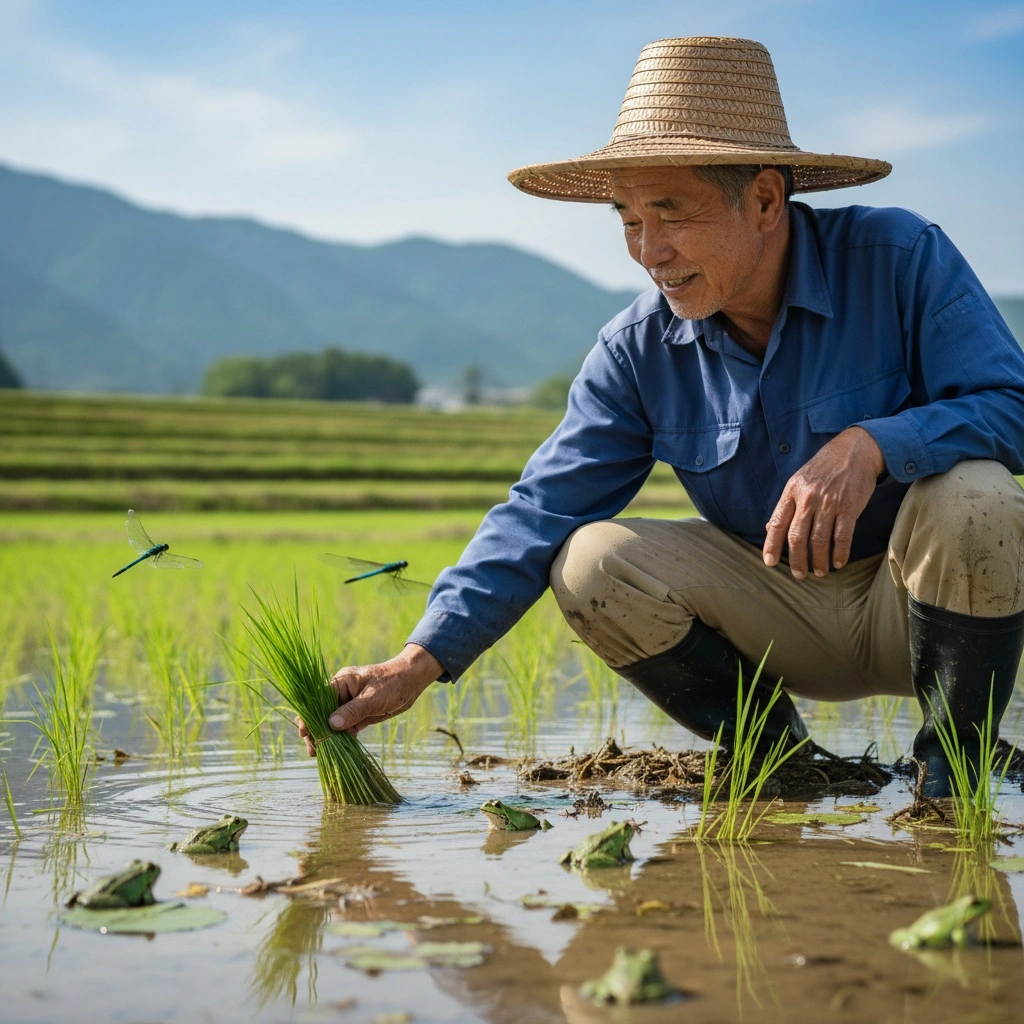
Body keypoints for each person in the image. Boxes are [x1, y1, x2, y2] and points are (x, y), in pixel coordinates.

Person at [298, 37, 1024, 797]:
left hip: (933, 606)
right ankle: (778, 759)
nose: (649, 252)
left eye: (671, 213)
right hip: (786, 615)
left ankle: (955, 776)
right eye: (629, 220)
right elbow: (541, 507)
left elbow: (1010, 406)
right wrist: (417, 662)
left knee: (976, 492)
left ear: (767, 201)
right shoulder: (638, 351)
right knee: (587, 558)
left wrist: (873, 442)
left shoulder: (900, 258)